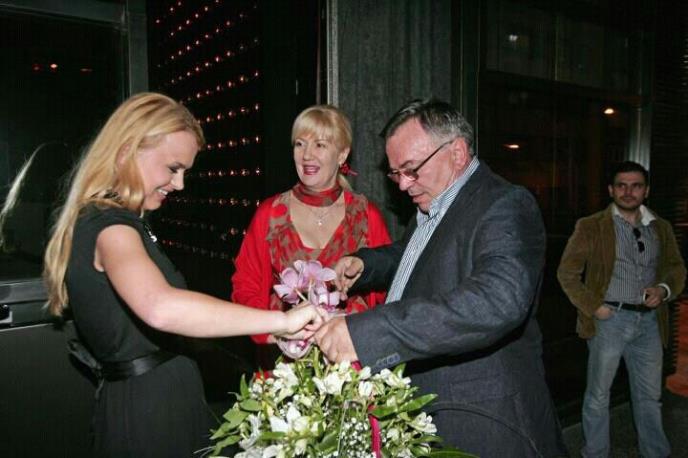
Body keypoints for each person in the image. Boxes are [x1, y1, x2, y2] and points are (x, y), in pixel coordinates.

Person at [43, 92, 324, 458]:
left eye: (184, 172)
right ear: (127, 151)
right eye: (173, 168)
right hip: (149, 413)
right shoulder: (111, 227)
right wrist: (282, 321)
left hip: (158, 402)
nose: (179, 184)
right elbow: (161, 307)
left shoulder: (117, 221)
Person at [315, 98, 566, 457]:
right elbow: (417, 255)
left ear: (457, 153)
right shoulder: (437, 201)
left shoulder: (505, 203)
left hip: (484, 419)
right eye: (395, 174)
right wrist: (365, 264)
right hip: (436, 406)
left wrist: (368, 333)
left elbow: (496, 300)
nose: (403, 185)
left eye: (411, 169)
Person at [231, 104, 391, 366]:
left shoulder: (366, 216)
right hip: (286, 363)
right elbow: (246, 285)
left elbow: (389, 292)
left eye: (319, 145)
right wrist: (270, 332)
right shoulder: (270, 213)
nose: (306, 155)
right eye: (300, 144)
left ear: (342, 155)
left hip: (351, 365)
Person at [557, 160, 686, 458]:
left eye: (636, 186)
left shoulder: (660, 227)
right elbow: (567, 273)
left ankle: (655, 453)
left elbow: (676, 268)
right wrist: (594, 307)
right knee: (598, 396)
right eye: (622, 186)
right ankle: (595, 453)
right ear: (611, 190)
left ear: (646, 191)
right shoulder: (591, 226)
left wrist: (663, 290)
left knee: (650, 397)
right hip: (609, 322)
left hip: (649, 323)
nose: (629, 192)